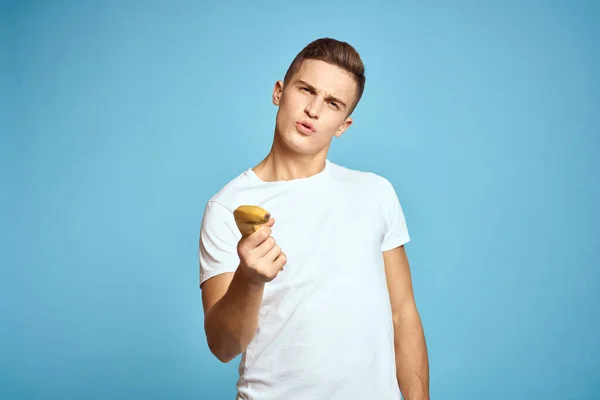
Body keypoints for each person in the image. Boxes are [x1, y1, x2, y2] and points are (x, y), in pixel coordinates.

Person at [198, 37, 429, 400]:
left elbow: (403, 316)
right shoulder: (229, 206)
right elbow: (224, 346)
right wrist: (250, 279)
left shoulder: (375, 192)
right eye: (306, 90)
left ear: (343, 124)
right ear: (279, 91)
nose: (313, 110)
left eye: (332, 103)